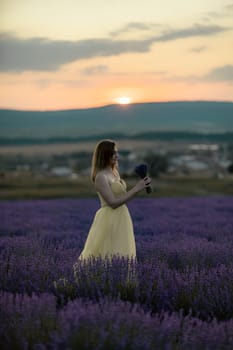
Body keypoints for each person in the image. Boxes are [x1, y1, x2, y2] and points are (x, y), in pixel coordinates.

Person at [77, 139, 151, 261]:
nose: (117, 156)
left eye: (116, 152)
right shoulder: (101, 177)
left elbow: (123, 198)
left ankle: (119, 279)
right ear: (104, 155)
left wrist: (140, 187)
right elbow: (112, 203)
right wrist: (136, 188)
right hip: (109, 219)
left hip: (122, 217)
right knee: (106, 253)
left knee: (123, 253)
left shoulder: (114, 172)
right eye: (113, 153)